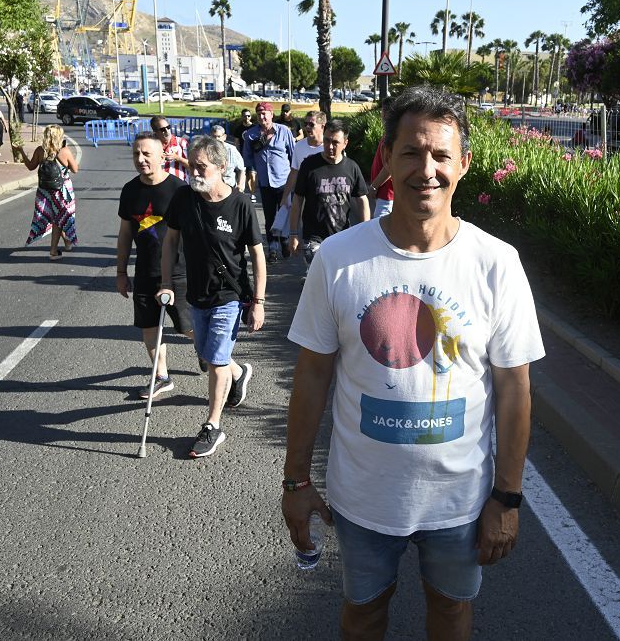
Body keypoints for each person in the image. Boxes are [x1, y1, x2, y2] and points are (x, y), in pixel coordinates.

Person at [281, 85, 545, 639]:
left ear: (464, 164)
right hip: (363, 499)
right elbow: (312, 375)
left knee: (450, 612)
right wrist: (296, 481)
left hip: (460, 502)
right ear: (387, 159)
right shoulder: (338, 259)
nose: (427, 169)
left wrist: (507, 496)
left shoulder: (496, 263)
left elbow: (514, 389)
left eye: (442, 155)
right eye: (411, 152)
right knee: (364, 613)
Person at [160, 135, 266, 458]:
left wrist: (258, 302)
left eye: (201, 166)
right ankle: (239, 372)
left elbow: (258, 255)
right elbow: (169, 243)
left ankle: (213, 425)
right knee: (208, 357)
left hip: (228, 295)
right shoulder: (183, 199)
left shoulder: (240, 206)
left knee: (216, 360)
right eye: (192, 165)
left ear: (222, 167)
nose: (195, 172)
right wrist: (166, 282)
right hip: (197, 294)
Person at [117, 131, 195, 399]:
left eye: (146, 153)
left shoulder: (181, 190)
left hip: (179, 271)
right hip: (145, 271)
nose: (140, 159)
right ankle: (161, 376)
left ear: (162, 155)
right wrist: (120, 272)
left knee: (189, 328)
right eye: (136, 154)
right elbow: (126, 233)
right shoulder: (129, 190)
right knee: (149, 327)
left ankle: (214, 357)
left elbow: (196, 234)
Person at [288, 119, 371, 270]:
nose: (329, 146)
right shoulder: (309, 165)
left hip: (343, 237)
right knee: (323, 277)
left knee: (339, 282)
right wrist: (293, 233)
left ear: (345, 143)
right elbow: (298, 199)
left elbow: (362, 199)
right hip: (313, 238)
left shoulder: (352, 167)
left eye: (335, 142)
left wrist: (366, 230)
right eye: (326, 141)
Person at [241, 101, 295, 261]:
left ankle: (285, 240)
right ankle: (272, 248)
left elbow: (293, 156)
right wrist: (251, 174)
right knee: (269, 216)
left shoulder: (284, 131)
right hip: (265, 183)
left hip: (284, 182)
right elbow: (247, 158)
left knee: (285, 213)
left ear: (272, 114)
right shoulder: (251, 134)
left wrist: (295, 178)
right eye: (259, 114)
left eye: (265, 113)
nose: (262, 116)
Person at [21, 124, 79, 259]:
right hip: (62, 191)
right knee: (60, 218)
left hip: (45, 191)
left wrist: (21, 151)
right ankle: (53, 251)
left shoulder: (40, 151)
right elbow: (75, 170)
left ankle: (67, 242)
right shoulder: (64, 151)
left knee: (56, 217)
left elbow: (30, 166)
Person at [280, 110, 326, 220]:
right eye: (305, 124)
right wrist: (285, 196)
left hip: (327, 199)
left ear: (322, 126)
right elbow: (294, 172)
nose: (307, 127)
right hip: (306, 200)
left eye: (311, 124)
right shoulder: (299, 146)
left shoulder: (330, 147)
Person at [209, 122, 246, 192]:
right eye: (214, 137)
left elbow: (241, 169)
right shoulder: (205, 150)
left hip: (229, 186)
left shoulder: (232, 150)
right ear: (210, 137)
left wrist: (240, 185)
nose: (216, 139)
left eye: (219, 136)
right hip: (212, 187)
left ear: (224, 137)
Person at [151, 115, 189, 182]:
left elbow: (192, 166)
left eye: (168, 127)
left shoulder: (181, 142)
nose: (167, 131)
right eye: (162, 129)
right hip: (158, 184)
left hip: (179, 185)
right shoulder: (151, 145)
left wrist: (177, 158)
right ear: (155, 132)